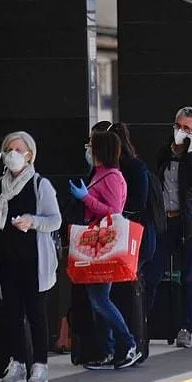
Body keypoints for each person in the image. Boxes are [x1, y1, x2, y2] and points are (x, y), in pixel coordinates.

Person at [0, 131, 61, 382]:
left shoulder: (40, 185)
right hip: (7, 260)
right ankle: (18, 361)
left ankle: (39, 364)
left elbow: (55, 220)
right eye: (8, 150)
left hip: (34, 262)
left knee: (36, 313)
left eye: (18, 150)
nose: (12, 155)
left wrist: (32, 222)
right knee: (12, 313)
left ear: (29, 154)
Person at [143, 107, 192, 348]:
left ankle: (186, 327)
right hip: (165, 220)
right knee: (152, 274)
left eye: (187, 129)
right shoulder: (165, 149)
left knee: (189, 277)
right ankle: (141, 322)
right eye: (179, 127)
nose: (181, 132)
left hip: (191, 222)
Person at [69, 131, 143, 369]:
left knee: (100, 299)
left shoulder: (112, 176)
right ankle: (108, 350)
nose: (88, 149)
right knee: (98, 299)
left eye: (91, 145)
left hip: (103, 242)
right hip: (96, 243)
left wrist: (86, 198)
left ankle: (128, 343)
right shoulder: (100, 173)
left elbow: (113, 211)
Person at [108, 122, 155, 268]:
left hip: (131, 232)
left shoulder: (132, 167)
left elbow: (139, 202)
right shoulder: (107, 168)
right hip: (119, 233)